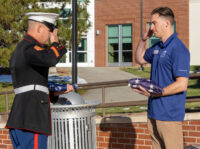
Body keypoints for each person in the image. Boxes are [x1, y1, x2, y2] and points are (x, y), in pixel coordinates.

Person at [5, 12, 74, 149]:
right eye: (51, 31)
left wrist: (56, 93)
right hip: (32, 119)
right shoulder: (29, 48)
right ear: (39, 28)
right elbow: (50, 59)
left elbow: (32, 84)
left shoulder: (23, 49)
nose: (51, 36)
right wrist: (56, 43)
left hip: (23, 118)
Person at [134, 7, 190, 149]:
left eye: (154, 23)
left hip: (169, 117)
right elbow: (140, 59)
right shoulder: (157, 46)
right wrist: (143, 40)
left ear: (166, 23)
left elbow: (182, 84)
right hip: (153, 114)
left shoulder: (179, 49)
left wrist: (158, 92)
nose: (151, 27)